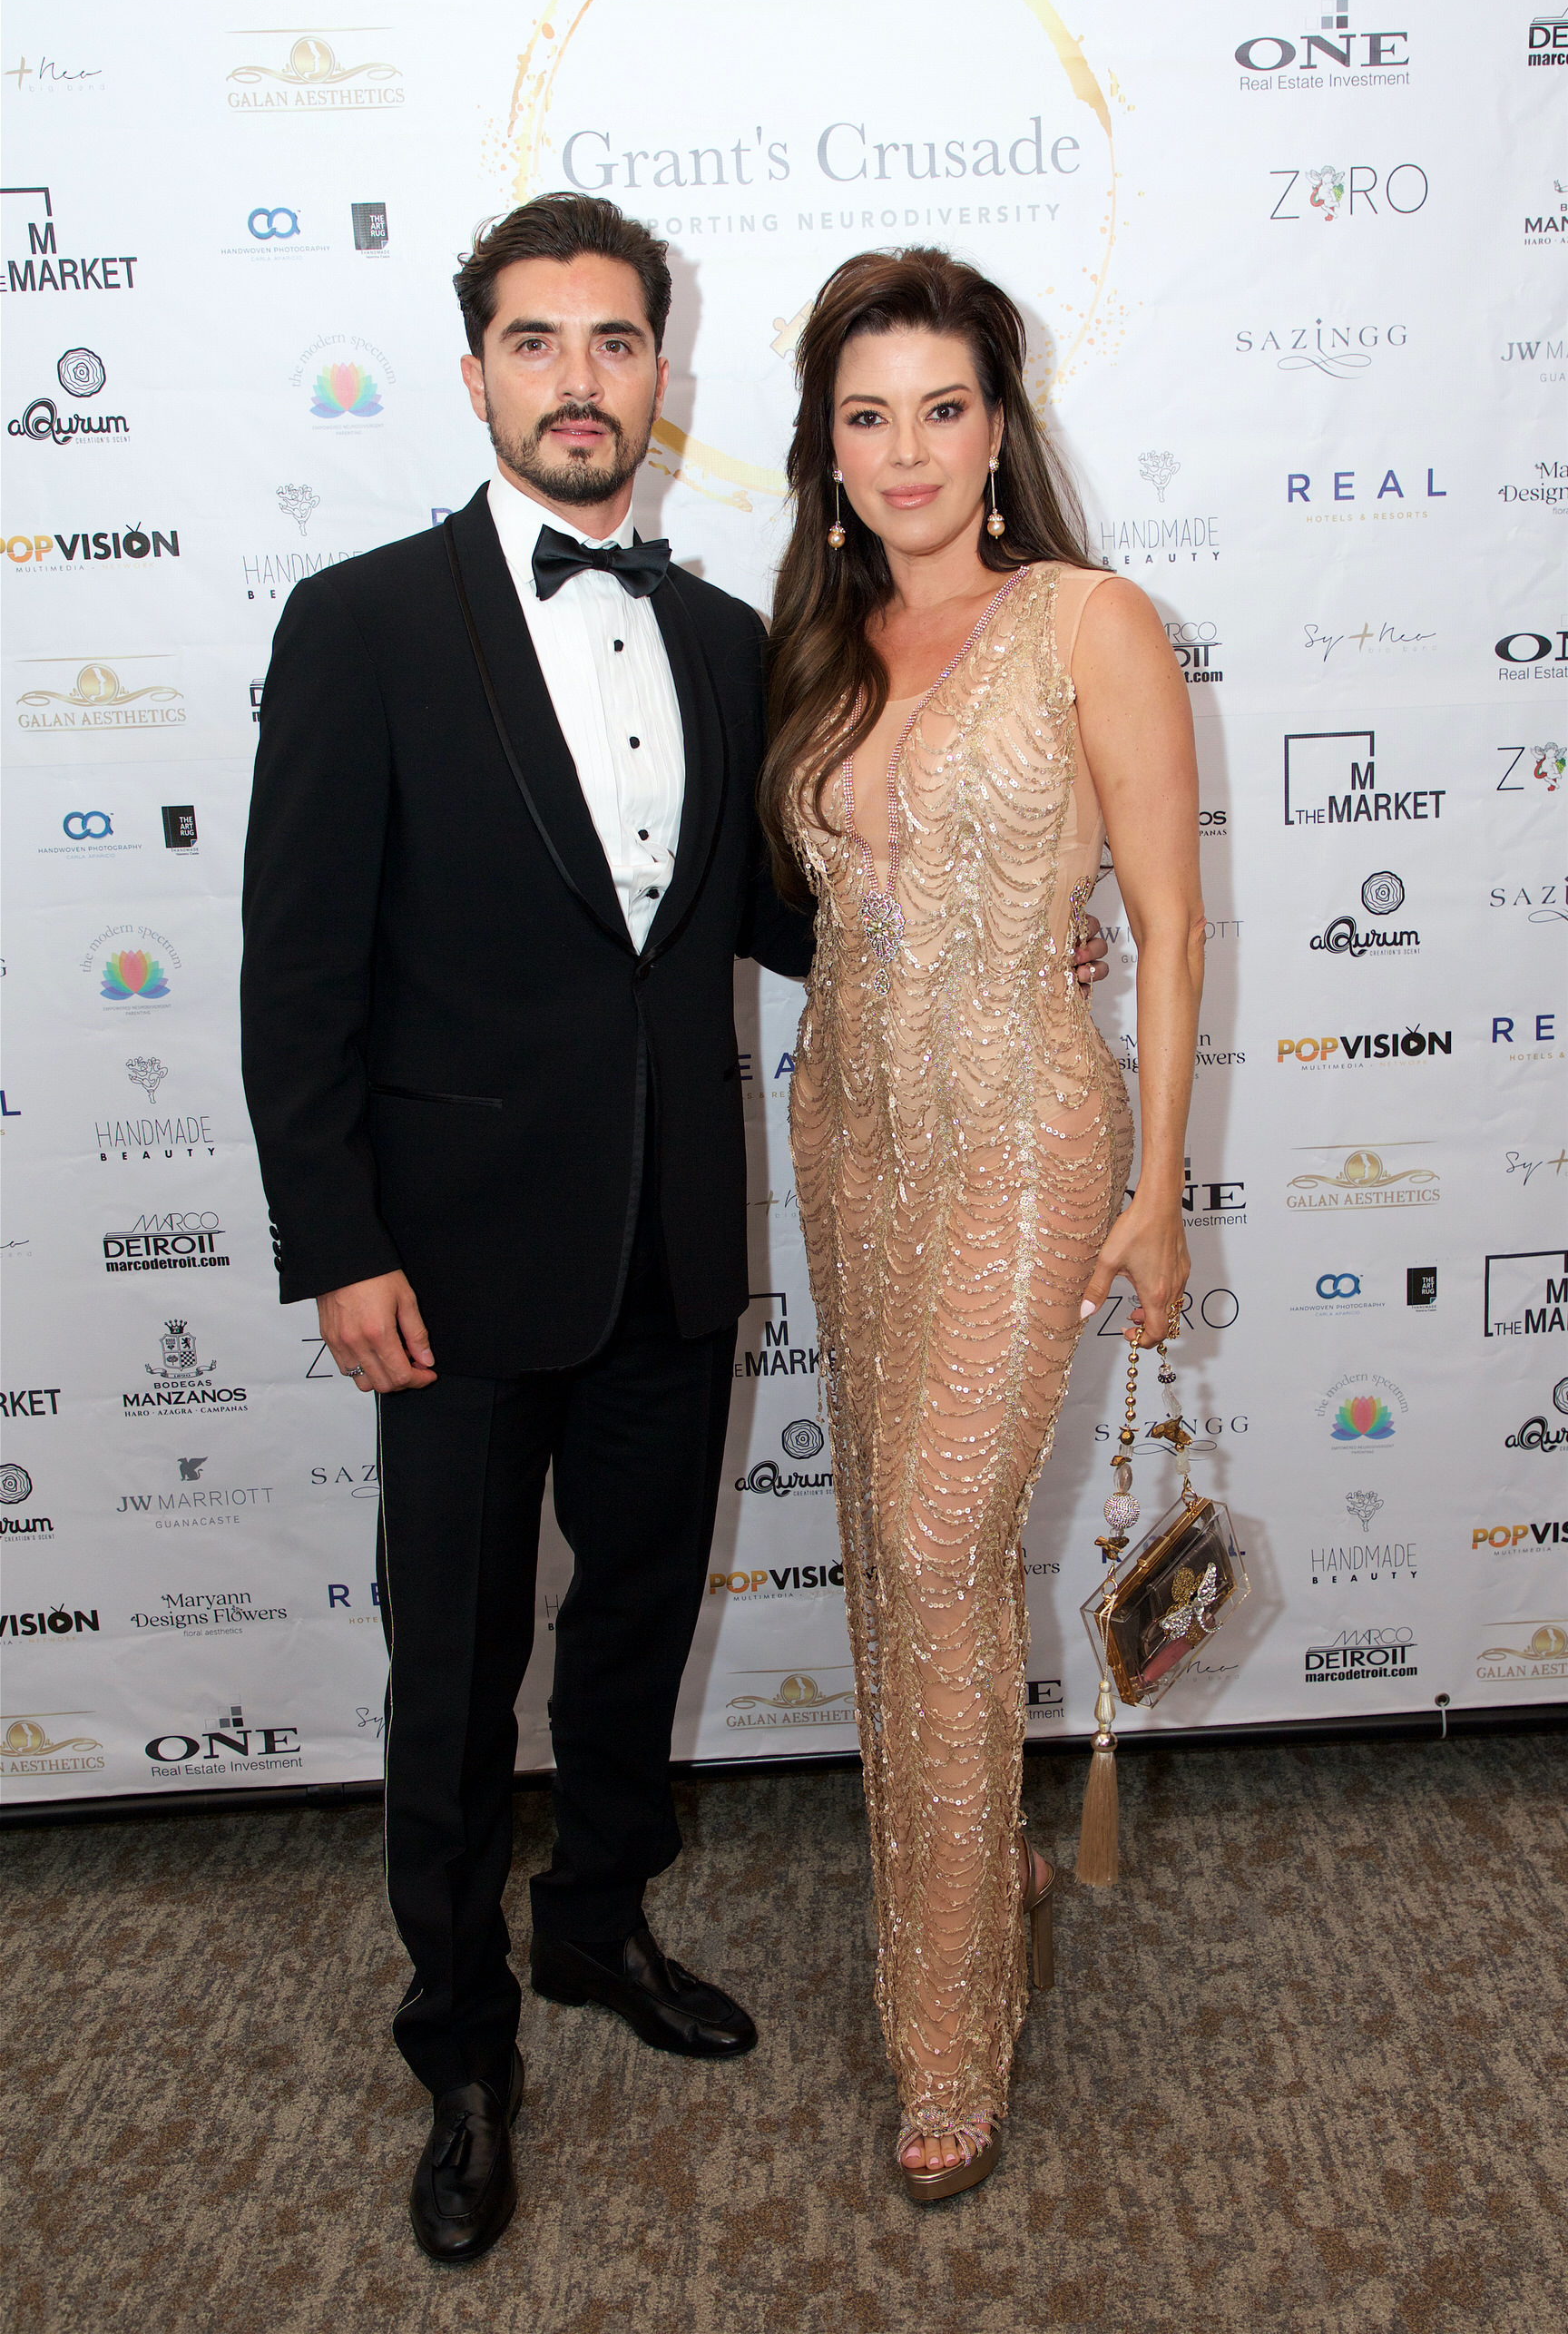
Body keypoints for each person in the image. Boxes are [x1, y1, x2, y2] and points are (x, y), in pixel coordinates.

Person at [242, 196, 1112, 2264]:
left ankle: (593, 1931)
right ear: (477, 377)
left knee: (633, 1626)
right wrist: (335, 1241)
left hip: (675, 1250)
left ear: (662, 375)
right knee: (454, 1675)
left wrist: (1007, 915)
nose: (577, 379)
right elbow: (298, 975)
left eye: (614, 342)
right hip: (443, 1269)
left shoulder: (734, 640)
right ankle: (457, 2046)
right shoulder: (358, 622)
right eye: (536, 343)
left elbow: (789, 913)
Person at [758, 249, 1204, 2202]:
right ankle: (978, 1841)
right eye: (869, 415)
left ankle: (952, 2030)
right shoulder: (821, 644)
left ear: (1001, 427)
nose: (908, 450)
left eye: (943, 408)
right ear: (827, 450)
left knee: (943, 1551)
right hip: (849, 1137)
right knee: (888, 1544)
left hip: (1028, 1130)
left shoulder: (1091, 622)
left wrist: (1158, 1184)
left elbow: (1173, 928)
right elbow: (831, 906)